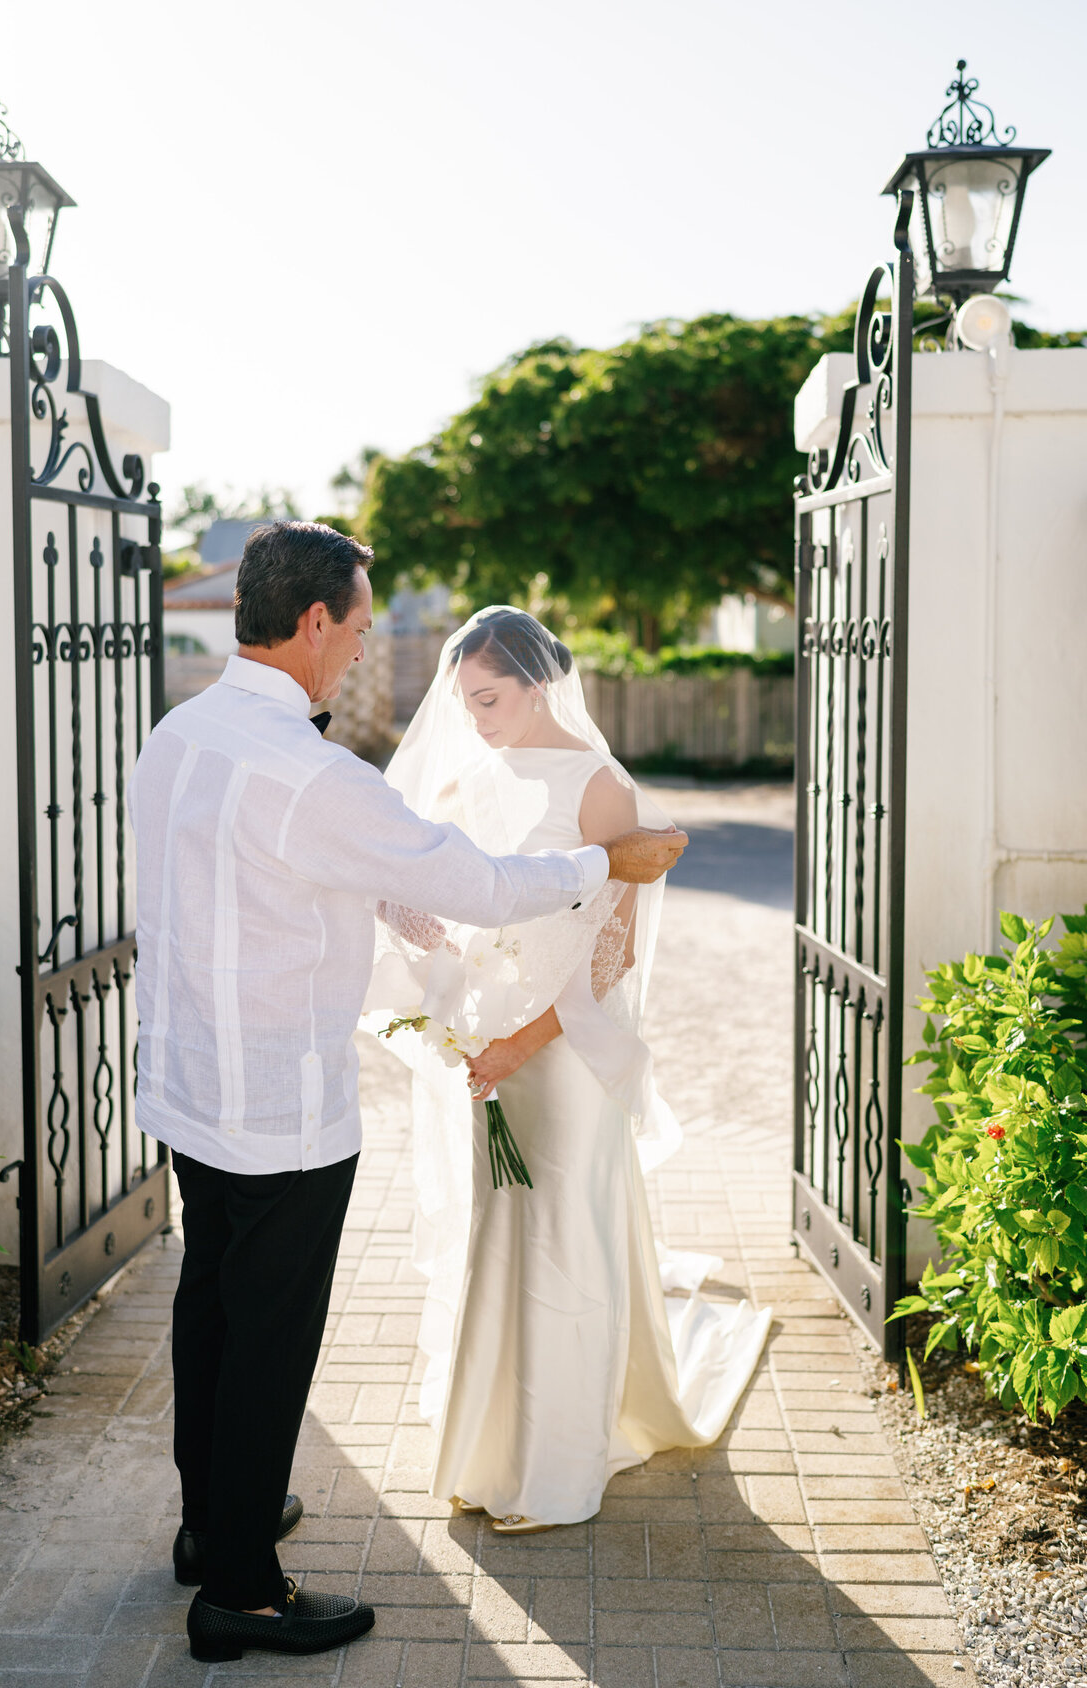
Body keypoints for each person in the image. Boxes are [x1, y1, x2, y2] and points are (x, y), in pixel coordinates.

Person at [127, 526, 689, 1663]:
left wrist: (380, 906)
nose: (367, 650)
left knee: (211, 1312)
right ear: (318, 622)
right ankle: (241, 1590)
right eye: (365, 626)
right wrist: (605, 866)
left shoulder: (179, 735)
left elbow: (261, 872)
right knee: (268, 1343)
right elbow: (477, 885)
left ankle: (211, 1523)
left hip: (189, 1088)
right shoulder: (309, 769)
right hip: (277, 1107)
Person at [366, 608, 770, 1534]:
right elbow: (453, 892)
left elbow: (611, 955)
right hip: (487, 1038)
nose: (474, 717)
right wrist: (431, 958)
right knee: (500, 1231)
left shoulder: (599, 786)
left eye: (490, 698)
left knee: (561, 1237)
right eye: (464, 701)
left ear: (537, 685)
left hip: (566, 1052)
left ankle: (556, 1462)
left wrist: (521, 1040)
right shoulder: (470, 774)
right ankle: (494, 1442)